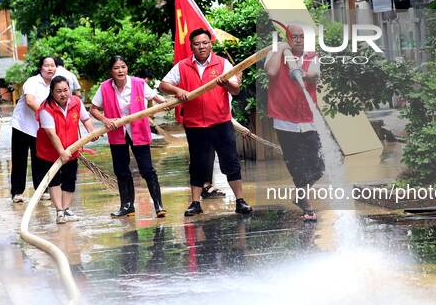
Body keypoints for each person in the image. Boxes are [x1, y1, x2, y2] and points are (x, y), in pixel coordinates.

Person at [160, 28, 253, 216]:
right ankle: (195, 203)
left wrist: (226, 83)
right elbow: (163, 85)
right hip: (195, 125)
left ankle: (240, 201)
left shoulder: (223, 64)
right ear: (191, 46)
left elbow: (235, 90)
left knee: (230, 162)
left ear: (210, 44)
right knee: (197, 164)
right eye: (197, 44)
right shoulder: (182, 66)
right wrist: (178, 91)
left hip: (220, 122)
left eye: (205, 43)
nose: (201, 46)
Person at [90, 55, 167, 218]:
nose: (120, 71)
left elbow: (154, 97)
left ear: (127, 68)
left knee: (147, 169)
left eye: (123, 67)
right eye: (116, 68)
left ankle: (159, 205)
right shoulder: (104, 87)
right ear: (111, 71)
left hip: (138, 130)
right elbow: (94, 109)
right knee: (121, 170)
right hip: (117, 131)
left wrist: (166, 103)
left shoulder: (139, 83)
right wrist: (105, 120)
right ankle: (127, 205)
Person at [264, 24, 324, 221]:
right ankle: (307, 206)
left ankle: (300, 195)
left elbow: (314, 74)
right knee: (297, 165)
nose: (298, 40)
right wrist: (281, 49)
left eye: (301, 37)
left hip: (308, 119)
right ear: (288, 38)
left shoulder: (311, 56)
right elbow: (271, 73)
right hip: (285, 121)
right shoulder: (277, 53)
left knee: (317, 166)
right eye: (294, 37)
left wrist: (301, 72)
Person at [36, 76, 95, 224]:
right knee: (54, 181)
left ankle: (66, 209)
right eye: (58, 91)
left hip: (72, 149)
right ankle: (59, 211)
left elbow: (86, 119)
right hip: (49, 152)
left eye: (65, 90)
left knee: (70, 179)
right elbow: (51, 133)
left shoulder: (75, 102)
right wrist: (61, 152)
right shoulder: (45, 109)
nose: (63, 94)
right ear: (52, 92)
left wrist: (91, 132)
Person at [10, 56, 57, 203]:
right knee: (20, 159)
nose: (50, 68)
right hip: (22, 126)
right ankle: (17, 192)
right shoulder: (32, 82)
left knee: (40, 160)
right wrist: (46, 115)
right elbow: (30, 101)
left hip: (39, 128)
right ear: (40, 68)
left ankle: (41, 190)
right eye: (46, 65)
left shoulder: (55, 84)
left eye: (52, 65)